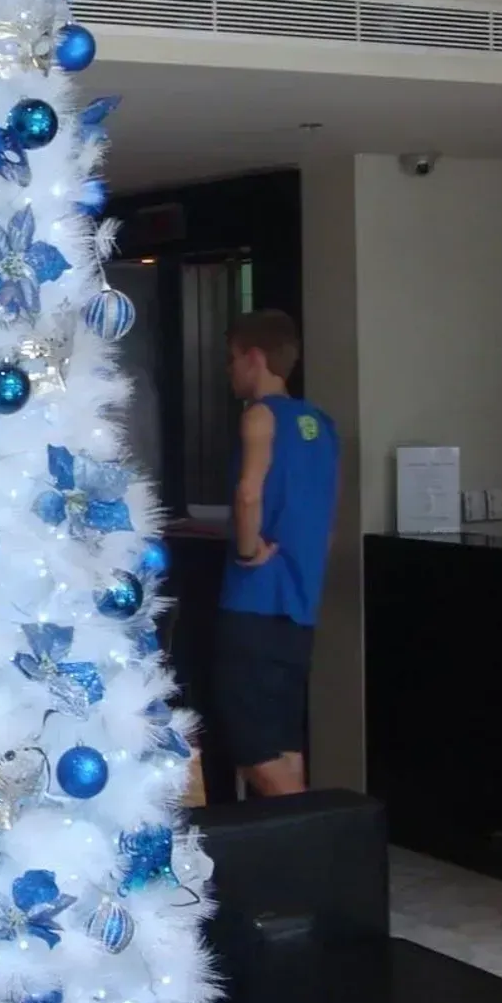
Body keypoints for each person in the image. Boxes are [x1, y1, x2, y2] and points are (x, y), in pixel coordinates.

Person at [214, 310, 339, 796]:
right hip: (299, 612)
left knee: (253, 749)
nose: (228, 371)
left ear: (255, 357)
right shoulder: (323, 425)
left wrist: (247, 552)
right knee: (285, 746)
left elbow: (249, 493)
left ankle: (317, 853)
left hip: (253, 608)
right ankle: (299, 860)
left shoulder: (260, 415)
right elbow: (328, 524)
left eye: (231, 360)